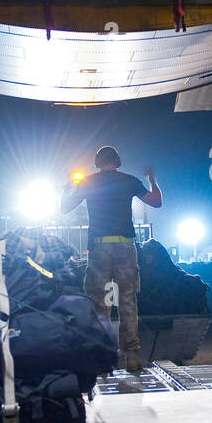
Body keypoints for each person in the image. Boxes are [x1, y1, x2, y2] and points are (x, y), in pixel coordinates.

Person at [60, 146, 162, 374]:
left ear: (97, 163)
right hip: (125, 247)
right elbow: (156, 202)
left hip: (99, 248)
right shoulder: (129, 181)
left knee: (99, 304)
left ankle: (103, 357)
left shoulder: (88, 182)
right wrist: (152, 179)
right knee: (128, 301)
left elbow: (64, 208)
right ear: (118, 161)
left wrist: (69, 184)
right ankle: (132, 357)